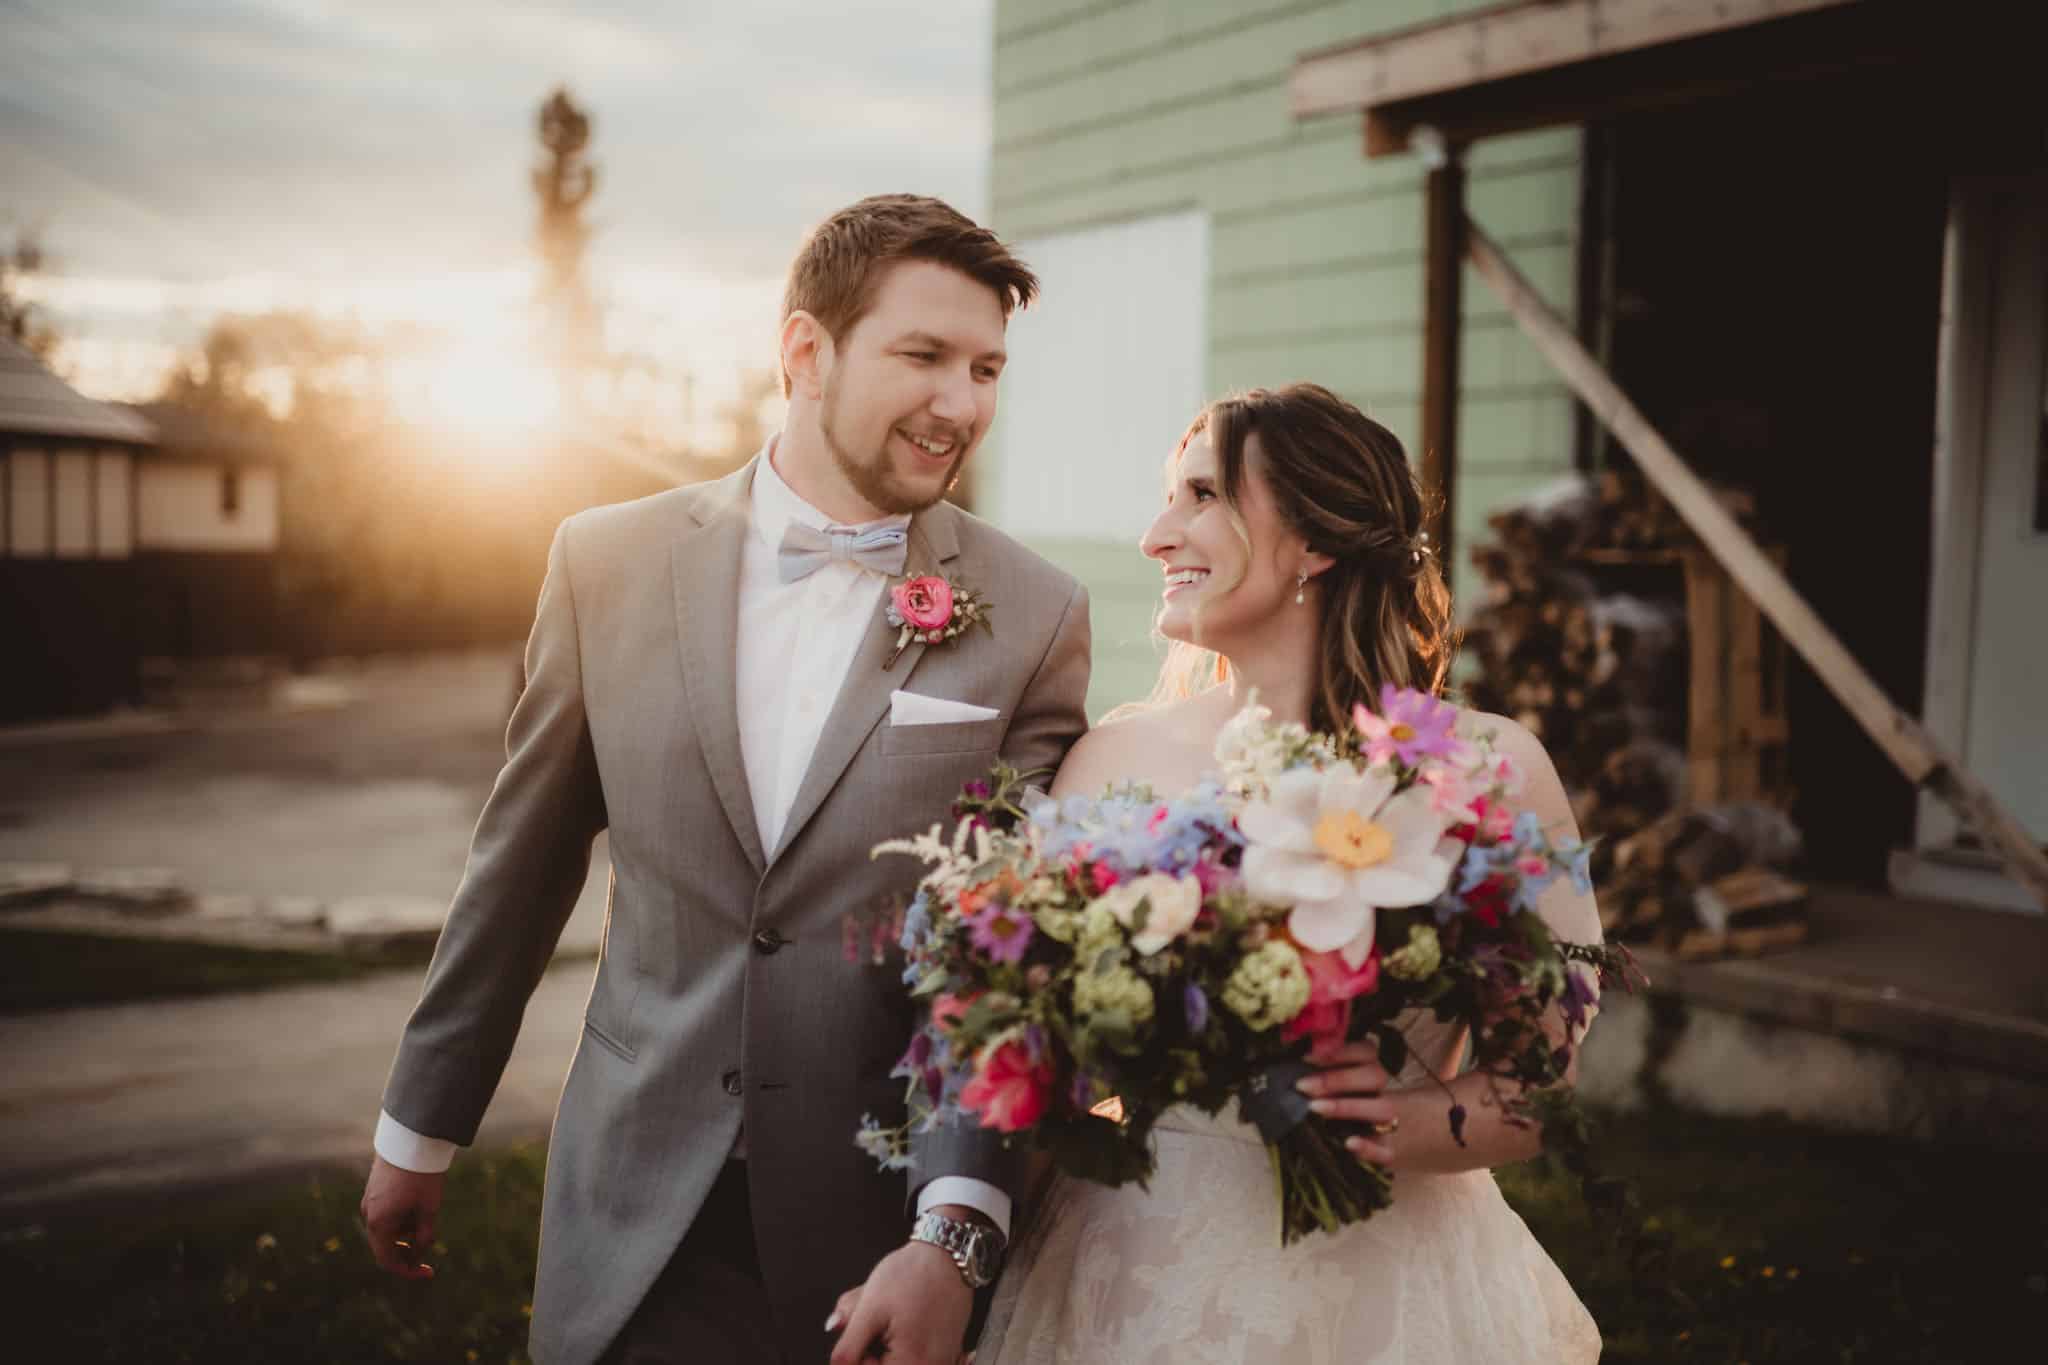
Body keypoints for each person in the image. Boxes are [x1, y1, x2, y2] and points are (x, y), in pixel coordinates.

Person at [359, 194, 1092, 1365]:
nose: (961, 403)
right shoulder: (603, 562)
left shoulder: (1035, 611)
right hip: (633, 1203)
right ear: (805, 351)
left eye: (985, 368)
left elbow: (1011, 961)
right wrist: (419, 1124)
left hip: (875, 1232)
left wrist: (955, 1229)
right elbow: (521, 864)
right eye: (923, 356)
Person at [969, 383, 1604, 1362]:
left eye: (1200, 496)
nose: (1154, 535)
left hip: (1383, 1289)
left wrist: (1378, 1119)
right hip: (1128, 1268)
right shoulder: (1112, 755)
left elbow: (1532, 1092)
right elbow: (1056, 1054)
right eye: (1164, 497)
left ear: (1313, 543)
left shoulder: (1485, 770)